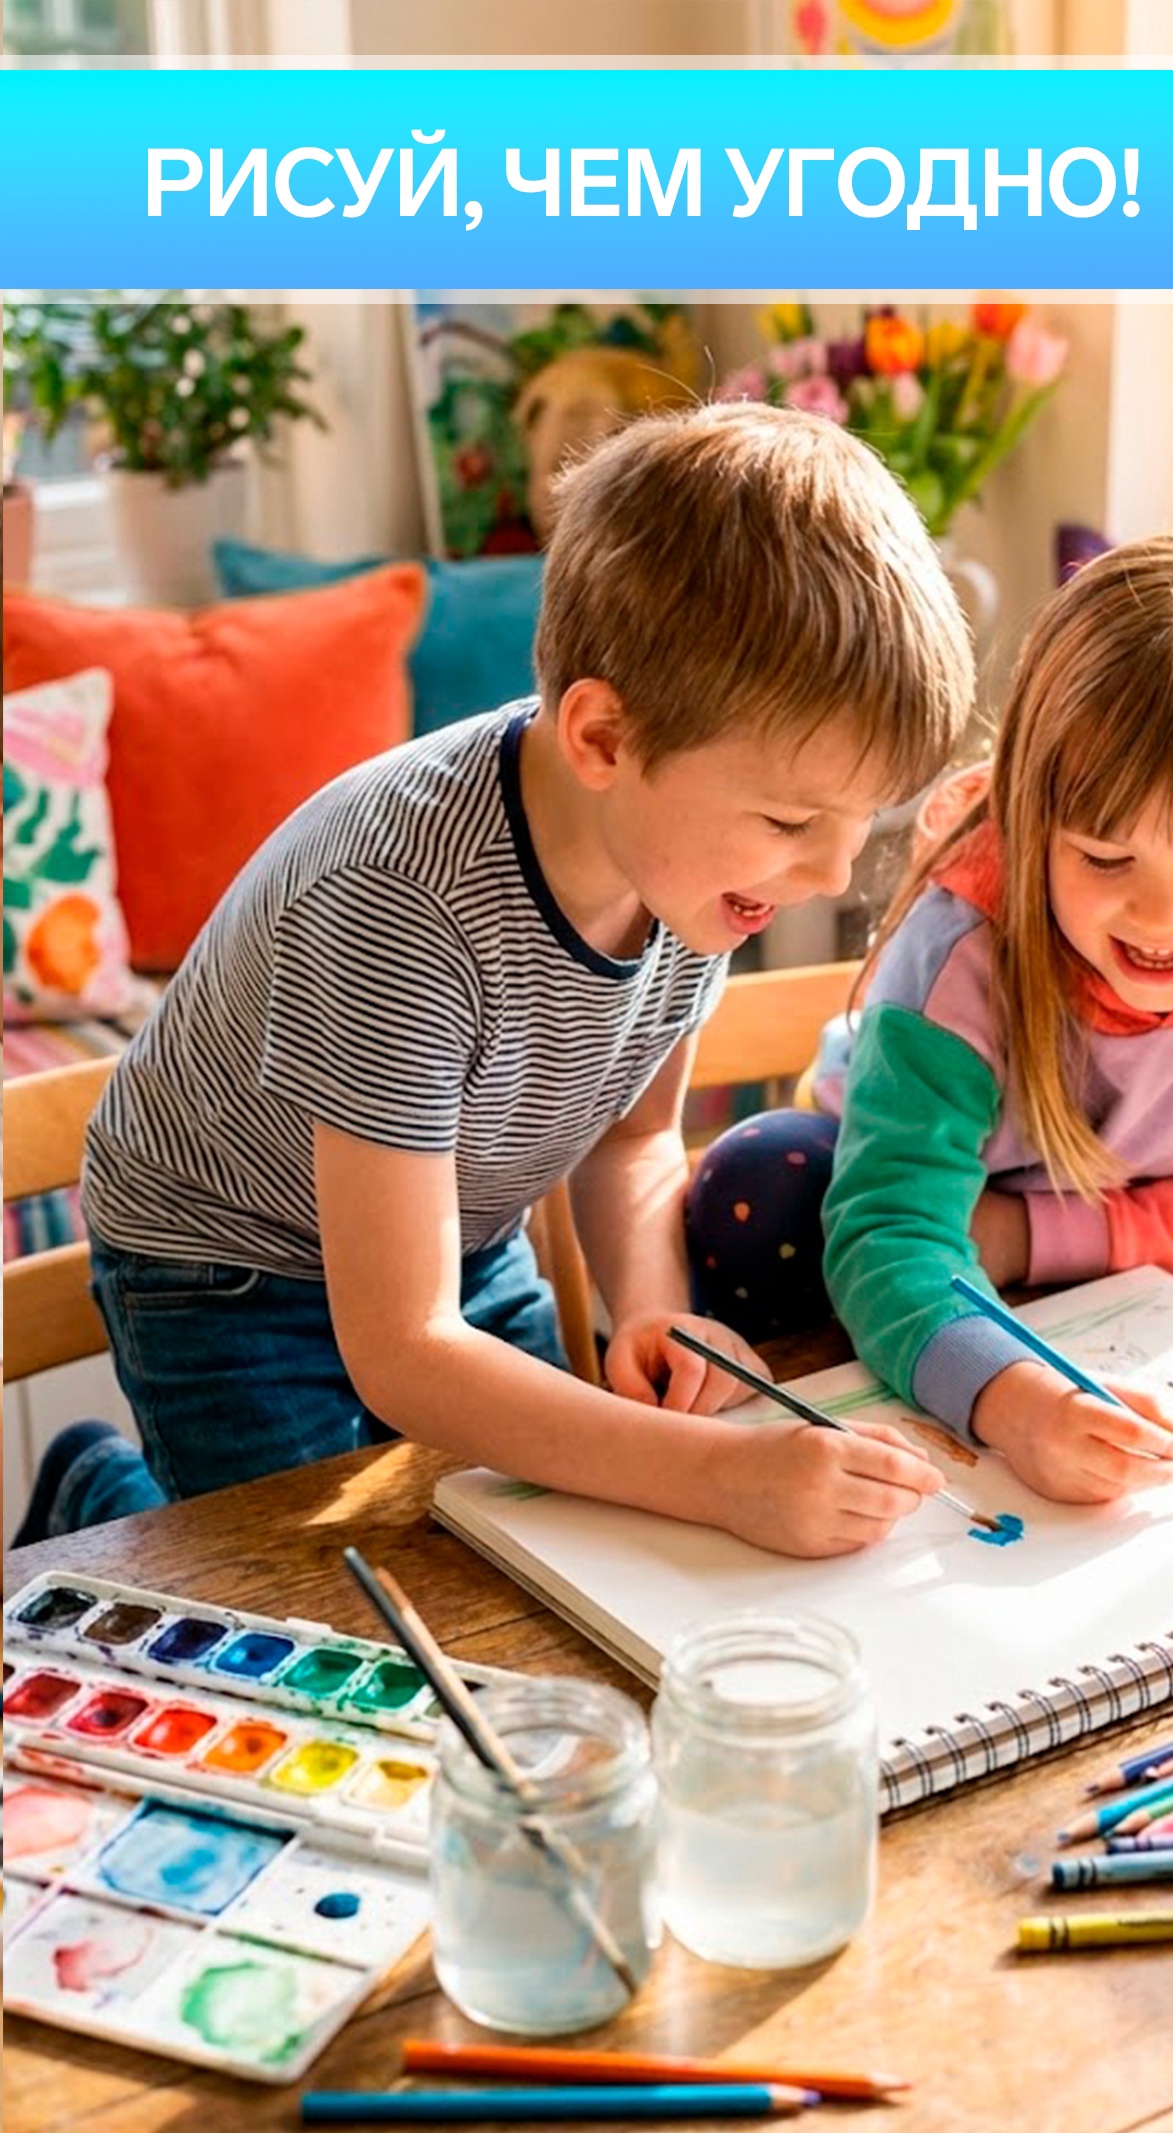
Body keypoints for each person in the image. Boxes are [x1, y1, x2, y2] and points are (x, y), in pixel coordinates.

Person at [43, 403, 974, 1561]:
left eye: (856, 824)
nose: (832, 873)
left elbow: (633, 1139)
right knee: (309, 1587)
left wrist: (649, 1305)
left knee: (531, 1543)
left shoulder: (694, 866)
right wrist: (721, 1475)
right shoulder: (399, 903)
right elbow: (406, 1352)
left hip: (453, 1234)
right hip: (230, 1267)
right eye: (791, 821)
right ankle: (98, 1498)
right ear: (601, 740)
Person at [689, 523, 1173, 1505]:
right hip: (904, 1193)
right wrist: (1017, 1404)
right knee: (762, 1186)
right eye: (1104, 859)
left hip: (1033, 1235)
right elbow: (895, 1232)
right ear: (1031, 823)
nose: (1160, 915)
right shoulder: (965, 955)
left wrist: (1022, 1237)